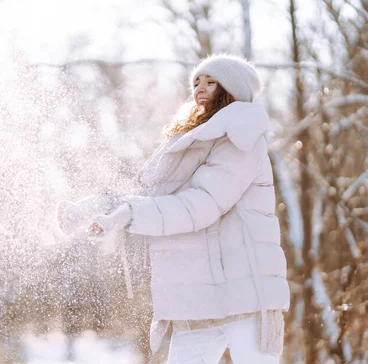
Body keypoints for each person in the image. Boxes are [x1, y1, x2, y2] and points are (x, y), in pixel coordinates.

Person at [85, 55, 290, 363]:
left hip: (245, 296)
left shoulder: (241, 137)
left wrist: (134, 213)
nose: (200, 89)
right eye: (196, 82)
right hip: (197, 299)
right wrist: (108, 211)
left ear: (231, 90)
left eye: (210, 82)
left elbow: (202, 205)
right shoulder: (191, 142)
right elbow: (152, 195)